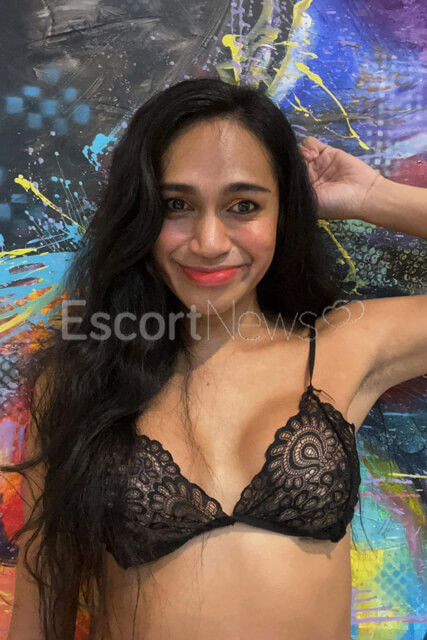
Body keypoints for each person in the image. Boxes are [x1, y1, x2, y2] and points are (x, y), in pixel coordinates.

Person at [3, 77, 426, 640]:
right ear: (141, 213)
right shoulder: (82, 379)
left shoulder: (345, 344)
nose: (208, 241)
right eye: (176, 205)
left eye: (243, 206)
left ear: (284, 212)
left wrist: (374, 197)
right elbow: (39, 614)